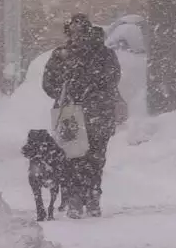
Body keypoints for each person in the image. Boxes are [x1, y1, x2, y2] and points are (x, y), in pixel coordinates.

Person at [42, 14, 121, 218]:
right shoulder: (62, 55)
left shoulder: (101, 54)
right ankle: (80, 198)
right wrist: (65, 89)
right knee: (77, 158)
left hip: (94, 112)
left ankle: (88, 197)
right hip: (75, 112)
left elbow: (111, 80)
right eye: (73, 32)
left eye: (80, 31)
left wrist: (87, 91)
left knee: (91, 158)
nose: (76, 36)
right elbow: (48, 83)